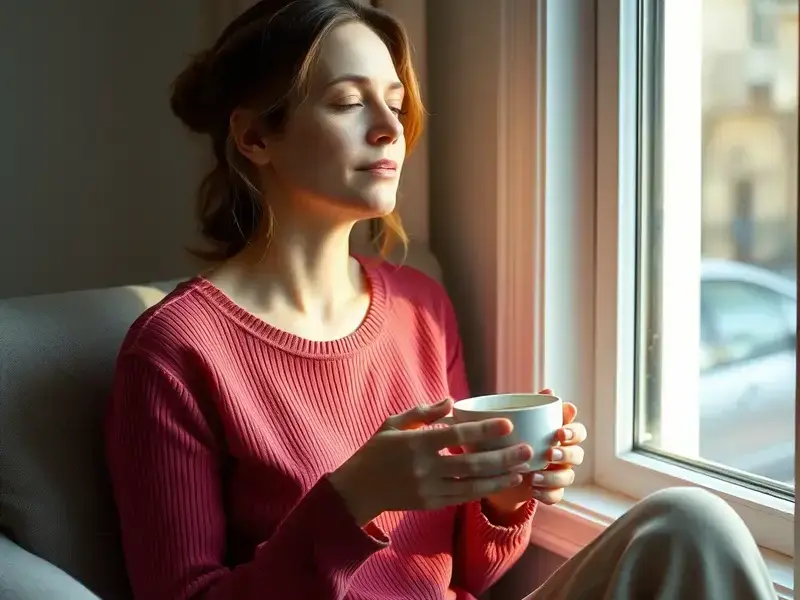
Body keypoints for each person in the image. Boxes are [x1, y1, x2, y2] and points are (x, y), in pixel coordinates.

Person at [104, 1, 779, 599]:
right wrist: (352, 499)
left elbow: (468, 573)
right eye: (348, 102)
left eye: (394, 105)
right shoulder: (175, 351)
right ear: (255, 137)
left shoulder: (419, 309)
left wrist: (509, 492)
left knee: (692, 522)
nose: (389, 129)